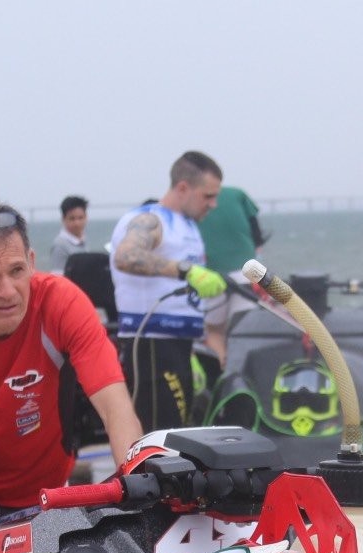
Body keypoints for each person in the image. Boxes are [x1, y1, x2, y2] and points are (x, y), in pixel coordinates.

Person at [0, 197, 143, 538]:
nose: (8, 291)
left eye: (17, 271)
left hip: (49, 488)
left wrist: (134, 502)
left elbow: (115, 407)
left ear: (32, 262)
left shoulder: (63, 302)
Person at [108, 151, 227, 431]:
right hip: (151, 346)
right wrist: (186, 270)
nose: (213, 204)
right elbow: (125, 256)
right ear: (183, 188)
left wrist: (193, 350)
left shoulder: (189, 226)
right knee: (160, 439)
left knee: (180, 435)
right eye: (207, 196)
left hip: (181, 346)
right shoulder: (150, 219)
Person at [198, 183, 266, 357]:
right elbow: (256, 232)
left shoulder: (194, 198)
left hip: (210, 276)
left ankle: (220, 371)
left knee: (214, 331)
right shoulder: (238, 194)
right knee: (243, 329)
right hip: (248, 273)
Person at [48, 195, 89, 273]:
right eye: (72, 218)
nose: (77, 223)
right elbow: (58, 276)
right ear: (63, 219)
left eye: (80, 218)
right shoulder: (60, 245)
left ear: (86, 217)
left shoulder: (82, 240)